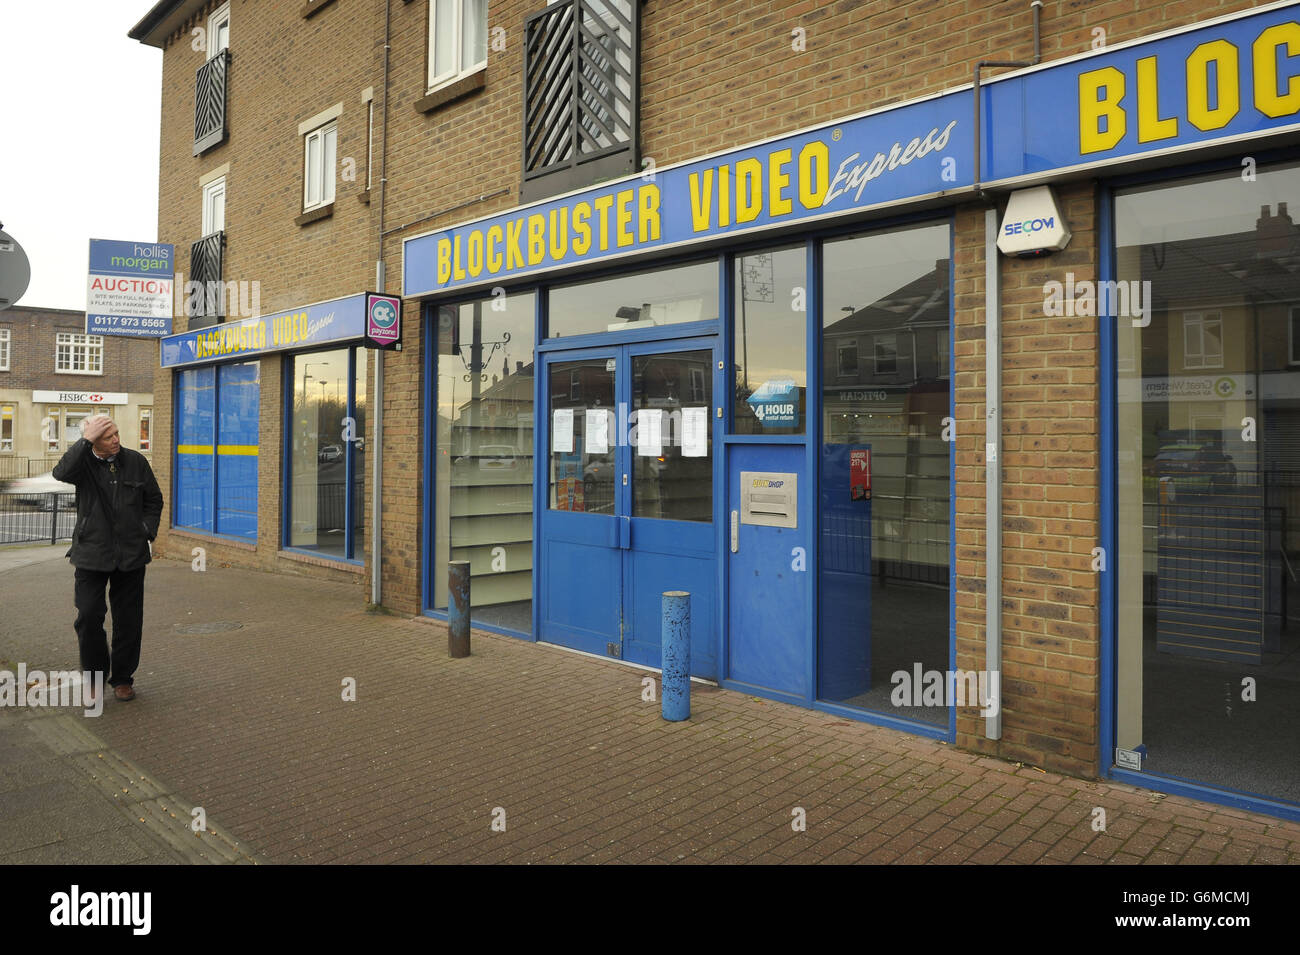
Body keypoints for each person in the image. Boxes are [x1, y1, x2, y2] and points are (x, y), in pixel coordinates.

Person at [52, 414, 163, 702]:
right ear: (93, 441)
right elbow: (60, 472)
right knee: (88, 616)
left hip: (131, 555)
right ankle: (95, 678)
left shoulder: (135, 461)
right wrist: (85, 441)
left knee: (129, 621)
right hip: (91, 553)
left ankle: (123, 679)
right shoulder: (83, 464)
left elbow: (154, 500)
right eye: (106, 436)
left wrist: (146, 530)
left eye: (116, 433)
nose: (115, 440)